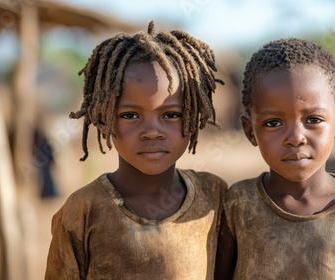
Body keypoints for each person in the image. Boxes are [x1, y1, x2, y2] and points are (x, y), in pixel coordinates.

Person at [45, 21, 227, 279]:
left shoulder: (214, 196)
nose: (152, 131)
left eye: (171, 114)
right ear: (102, 117)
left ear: (195, 115)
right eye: (130, 115)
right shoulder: (83, 210)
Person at [215, 38, 335, 279]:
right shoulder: (237, 204)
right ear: (250, 131)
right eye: (273, 123)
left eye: (313, 119)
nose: (295, 138)